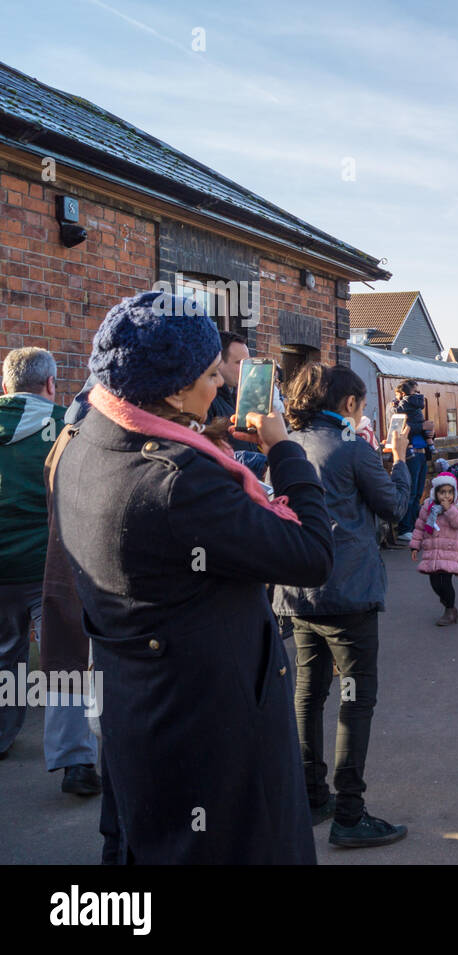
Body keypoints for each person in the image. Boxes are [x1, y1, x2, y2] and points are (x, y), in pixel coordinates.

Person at [54, 291, 334, 863]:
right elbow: (310, 553)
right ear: (175, 389)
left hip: (142, 716)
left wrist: (203, 446)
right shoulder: (178, 481)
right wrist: (283, 449)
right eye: (211, 374)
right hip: (213, 731)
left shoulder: (84, 443)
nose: (221, 388)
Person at [273, 364, 411, 848]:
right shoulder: (354, 449)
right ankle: (350, 813)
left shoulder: (285, 446)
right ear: (349, 405)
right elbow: (394, 507)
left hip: (297, 587)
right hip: (349, 591)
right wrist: (401, 457)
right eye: (362, 404)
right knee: (356, 698)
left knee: (308, 693)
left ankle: (312, 795)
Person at [0, 347, 100, 793]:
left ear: (5, 388)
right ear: (51, 385)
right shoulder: (67, 426)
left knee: (5, 655)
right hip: (48, 565)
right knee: (64, 661)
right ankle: (75, 761)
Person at [410, 472, 458, 627]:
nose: (446, 496)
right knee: (435, 583)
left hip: (449, 553)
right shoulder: (428, 508)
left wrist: (449, 509)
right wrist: (415, 546)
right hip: (432, 553)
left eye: (450, 492)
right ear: (435, 493)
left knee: (445, 583)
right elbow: (420, 527)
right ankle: (448, 604)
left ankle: (449, 610)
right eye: (443, 492)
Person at [392, 379, 430, 542]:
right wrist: (423, 427)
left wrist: (427, 430)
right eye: (415, 392)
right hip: (411, 451)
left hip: (419, 451)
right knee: (412, 491)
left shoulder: (408, 407)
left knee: (417, 492)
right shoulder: (399, 408)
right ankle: (405, 528)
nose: (418, 396)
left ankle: (413, 526)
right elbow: (399, 429)